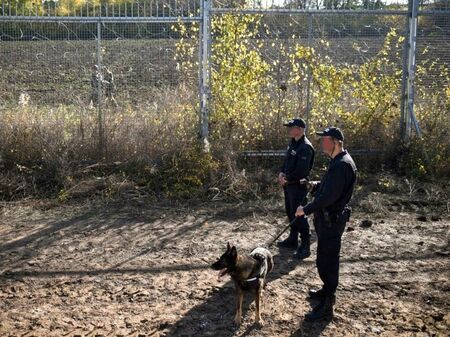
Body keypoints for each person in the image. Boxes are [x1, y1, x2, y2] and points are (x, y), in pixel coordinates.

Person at [295, 127, 357, 321]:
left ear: (336, 142)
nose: (322, 143)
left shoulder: (342, 165)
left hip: (332, 220)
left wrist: (305, 209)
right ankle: (325, 290)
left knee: (328, 261)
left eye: (326, 140)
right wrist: (315, 185)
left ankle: (328, 305)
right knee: (324, 258)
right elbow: (330, 187)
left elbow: (329, 197)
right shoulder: (338, 162)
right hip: (328, 220)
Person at [277, 118, 315, 259]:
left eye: (291, 127)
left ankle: (305, 245)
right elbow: (287, 161)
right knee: (290, 212)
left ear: (299, 129)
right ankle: (293, 239)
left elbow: (302, 171)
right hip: (289, 185)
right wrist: (282, 173)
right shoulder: (293, 143)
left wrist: (287, 178)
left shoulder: (305, 147)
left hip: (298, 187)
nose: (289, 129)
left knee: (299, 215)